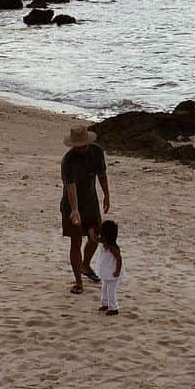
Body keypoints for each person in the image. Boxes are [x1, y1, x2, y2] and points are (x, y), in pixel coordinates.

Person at [60, 122, 109, 294]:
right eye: (79, 146)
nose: (82, 148)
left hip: (91, 202)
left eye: (84, 144)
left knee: (96, 236)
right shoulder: (68, 161)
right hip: (71, 204)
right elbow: (70, 186)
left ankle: (86, 265)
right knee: (76, 241)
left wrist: (107, 195)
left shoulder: (97, 152)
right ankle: (78, 282)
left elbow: (102, 175)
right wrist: (74, 210)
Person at [97, 219, 124, 316]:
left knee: (110, 290)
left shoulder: (113, 247)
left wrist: (117, 270)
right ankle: (105, 304)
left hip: (113, 272)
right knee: (104, 288)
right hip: (106, 271)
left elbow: (119, 259)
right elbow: (96, 239)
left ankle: (114, 307)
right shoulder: (105, 243)